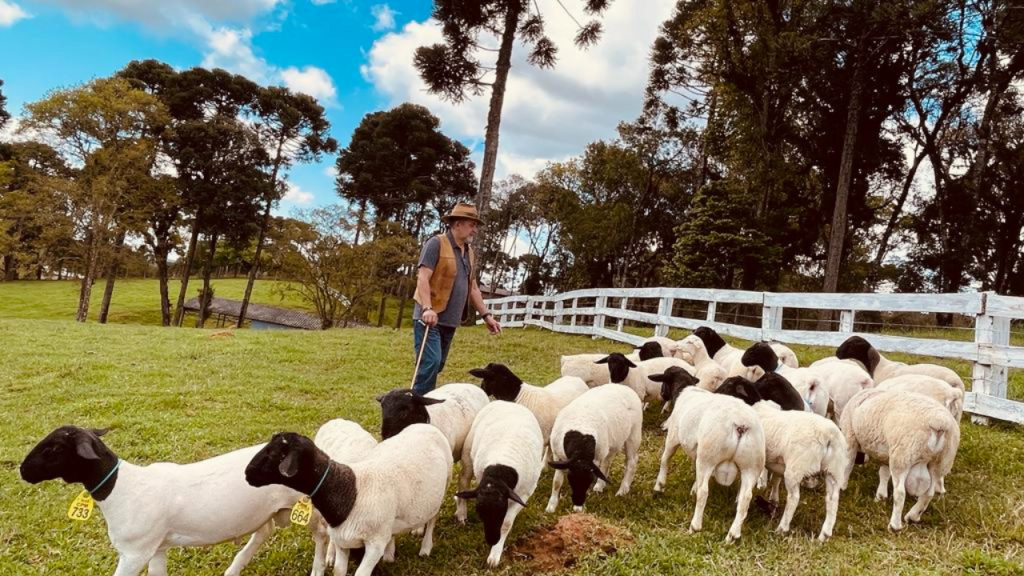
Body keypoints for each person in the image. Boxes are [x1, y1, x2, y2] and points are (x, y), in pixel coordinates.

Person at [411, 202, 502, 395]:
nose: (474, 230)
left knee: (438, 365)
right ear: (457, 224)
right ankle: (416, 410)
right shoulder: (436, 243)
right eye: (472, 225)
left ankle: (420, 403)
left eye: (475, 226)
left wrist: (486, 315)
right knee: (430, 364)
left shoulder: (469, 252)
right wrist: (427, 308)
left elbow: (473, 287)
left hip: (450, 321)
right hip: (429, 318)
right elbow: (422, 277)